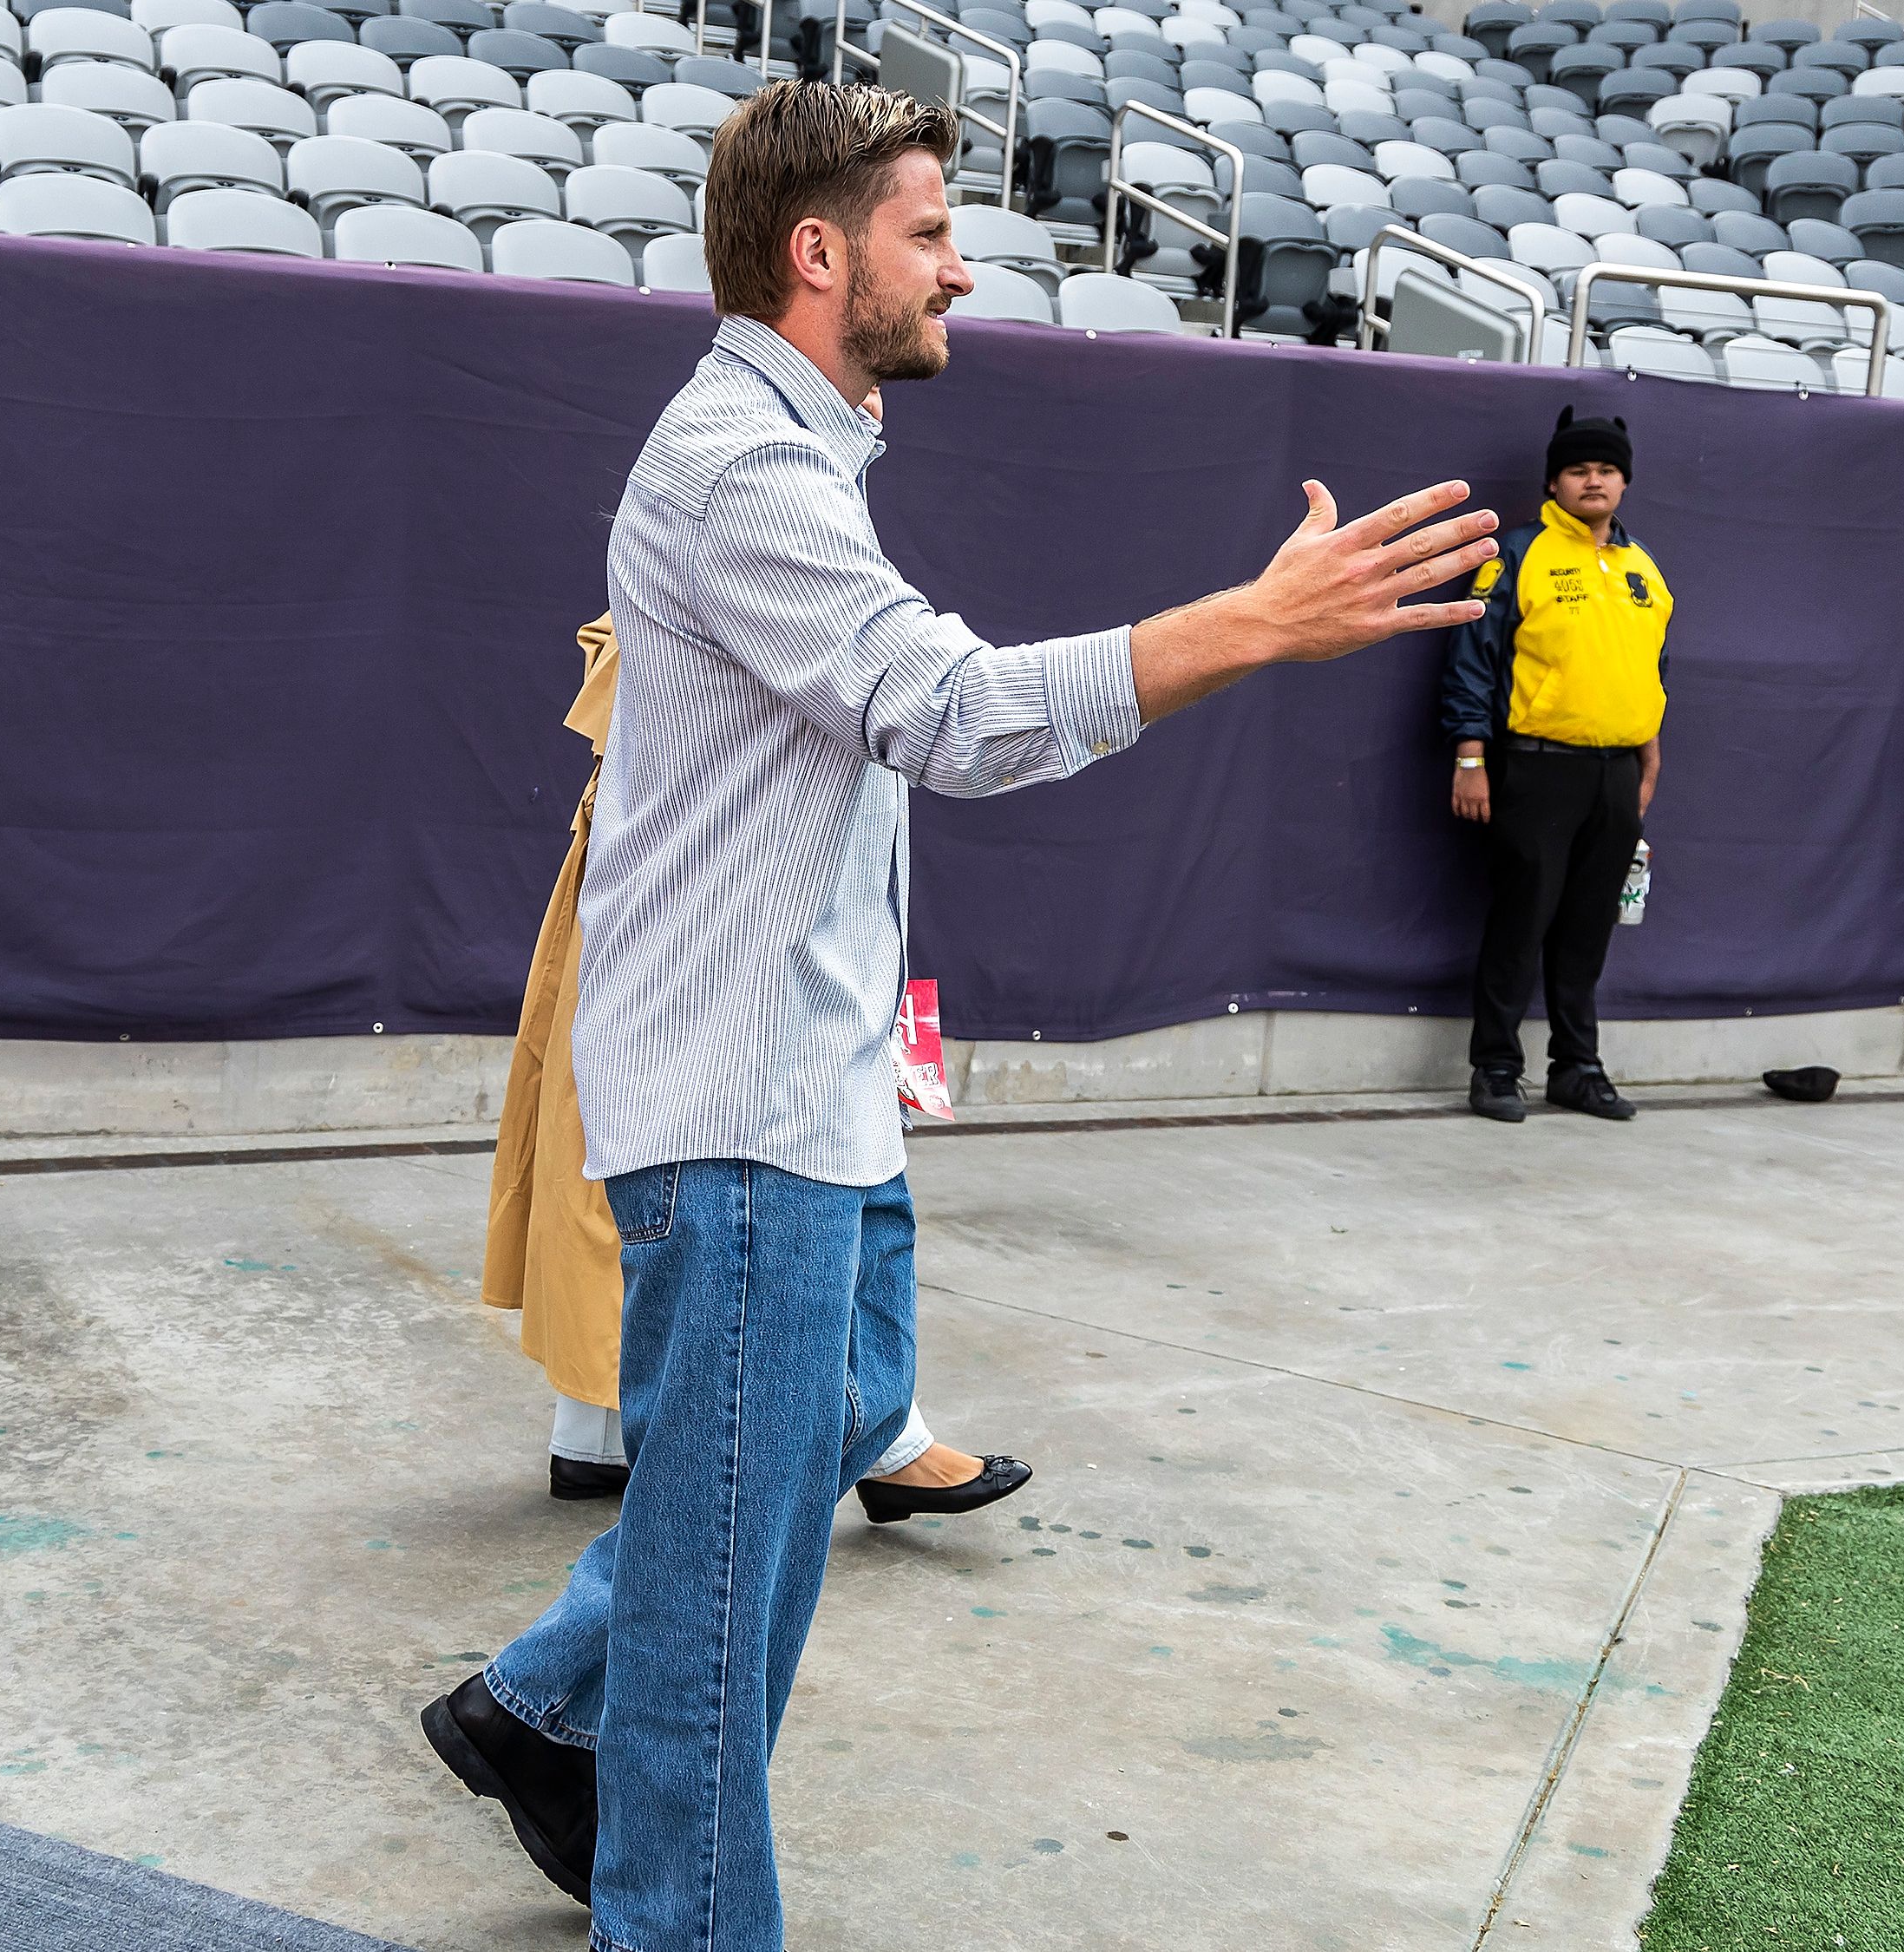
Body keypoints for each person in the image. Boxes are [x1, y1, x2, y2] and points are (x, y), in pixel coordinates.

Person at [416, 78, 1504, 1952]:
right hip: (742, 1114)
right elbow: (956, 715)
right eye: (927, 234)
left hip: (799, 1097)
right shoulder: (742, 472)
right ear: (816, 254)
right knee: (717, 1598)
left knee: (746, 1540)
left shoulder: (798, 452)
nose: (961, 268)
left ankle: (543, 1719)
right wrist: (1254, 624)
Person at [483, 606, 1031, 1521]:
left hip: (687, 911)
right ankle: (875, 1436)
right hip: (715, 927)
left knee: (641, 1156)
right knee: (758, 1172)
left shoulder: (713, 584)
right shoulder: (754, 573)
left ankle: (596, 1435)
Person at [1436, 408, 1670, 1127]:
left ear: (1624, 482)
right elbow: (1472, 658)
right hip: (1538, 768)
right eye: (1578, 469)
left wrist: (1649, 753)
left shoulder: (1643, 567)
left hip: (1617, 774)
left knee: (1590, 927)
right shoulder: (1516, 554)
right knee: (1522, 920)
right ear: (1553, 483)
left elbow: (1652, 668)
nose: (1593, 480)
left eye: (1607, 469)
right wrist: (1470, 755)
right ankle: (1496, 1069)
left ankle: (1576, 1069)